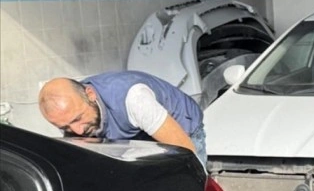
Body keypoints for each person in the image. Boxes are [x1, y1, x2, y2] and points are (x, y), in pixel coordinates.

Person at [38, 70, 207, 165]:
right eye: (65, 127)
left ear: (90, 95)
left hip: (181, 128)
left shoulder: (134, 99)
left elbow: (187, 153)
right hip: (136, 134)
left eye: (78, 119)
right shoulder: (71, 111)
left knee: (192, 188)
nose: (78, 131)